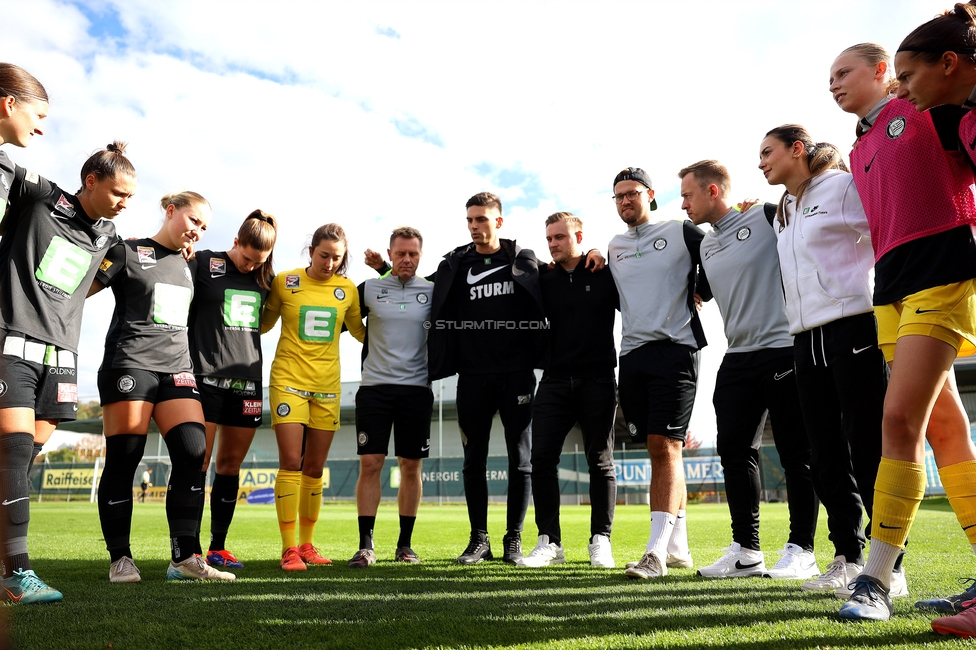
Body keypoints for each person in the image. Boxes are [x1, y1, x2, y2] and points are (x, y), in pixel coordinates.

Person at [827, 34, 976, 629]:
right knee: (942, 425)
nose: (834, 84)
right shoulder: (858, 145)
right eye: (828, 80)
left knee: (897, 420)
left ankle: (877, 577)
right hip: (888, 285)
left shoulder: (927, 106)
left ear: (884, 71)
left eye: (843, 72)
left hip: (943, 268)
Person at [757, 125, 907, 599]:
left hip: (855, 327)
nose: (760, 162)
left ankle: (892, 565)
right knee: (823, 455)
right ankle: (847, 556)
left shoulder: (842, 186)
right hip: (803, 337)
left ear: (796, 150)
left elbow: (886, 231)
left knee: (867, 448)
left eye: (767, 152)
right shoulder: (785, 207)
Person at [0, 92, 134, 603]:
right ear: (91, 181)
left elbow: (104, 277)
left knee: (23, 453)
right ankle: (17, 572)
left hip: (63, 354)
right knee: (12, 448)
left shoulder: (111, 239)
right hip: (10, 336)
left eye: (131, 197)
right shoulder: (40, 195)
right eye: (118, 192)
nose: (124, 202)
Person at [679, 160, 820, 580]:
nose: (683, 203)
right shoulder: (704, 245)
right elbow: (698, 290)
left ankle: (802, 549)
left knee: (798, 454)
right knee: (734, 452)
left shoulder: (764, 215)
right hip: (738, 357)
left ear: (713, 192)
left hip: (784, 348)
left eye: (688, 194)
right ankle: (746, 550)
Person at [94, 190, 233, 584]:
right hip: (130, 364)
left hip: (178, 368)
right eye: (193, 221)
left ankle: (184, 557)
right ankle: (120, 559)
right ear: (171, 211)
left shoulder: (192, 264)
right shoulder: (127, 251)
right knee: (125, 457)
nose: (198, 233)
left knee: (194, 451)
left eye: (204, 228)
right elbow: (80, 290)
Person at [426, 192, 544, 565]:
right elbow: (415, 284)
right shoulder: (456, 264)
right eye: (470, 221)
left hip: (517, 375)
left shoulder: (522, 259)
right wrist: (383, 270)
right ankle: (479, 539)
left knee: (520, 460)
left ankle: (514, 538)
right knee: (472, 460)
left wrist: (590, 257)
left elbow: (557, 278)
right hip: (473, 376)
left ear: (499, 221)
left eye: (482, 219)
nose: (475, 227)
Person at [606, 167, 710, 580]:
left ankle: (655, 554)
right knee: (662, 448)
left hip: (676, 350)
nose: (625, 201)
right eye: (618, 196)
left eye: (632, 193)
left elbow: (721, 254)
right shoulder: (613, 246)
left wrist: (702, 292)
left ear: (649, 195)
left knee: (664, 445)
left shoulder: (681, 231)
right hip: (631, 355)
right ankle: (679, 547)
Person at [516, 212, 619, 568]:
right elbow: (522, 257)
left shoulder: (604, 274)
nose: (553, 244)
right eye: (549, 239)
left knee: (600, 461)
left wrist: (596, 252)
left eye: (560, 237)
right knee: (541, 459)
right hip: (555, 380)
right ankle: (550, 542)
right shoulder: (543, 277)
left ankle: (600, 540)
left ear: (578, 234)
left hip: (599, 379)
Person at [261, 223, 365, 571]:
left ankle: (307, 544)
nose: (330, 263)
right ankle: (288, 548)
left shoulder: (347, 289)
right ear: (311, 251)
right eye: (324, 255)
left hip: (327, 386)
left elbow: (361, 333)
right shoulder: (285, 281)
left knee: (315, 468)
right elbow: (262, 324)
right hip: (288, 381)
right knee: (291, 461)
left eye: (337, 258)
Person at [188, 210, 278, 569]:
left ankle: (217, 548)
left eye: (258, 262)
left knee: (228, 465)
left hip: (247, 383)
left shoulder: (265, 278)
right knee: (199, 463)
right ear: (235, 242)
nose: (249, 266)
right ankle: (189, 549)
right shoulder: (202, 263)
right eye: (246, 258)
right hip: (204, 378)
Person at [348, 227, 433, 568]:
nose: (407, 260)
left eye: (413, 254)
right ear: (391, 254)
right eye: (400, 254)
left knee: (410, 466)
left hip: (416, 390)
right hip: (375, 389)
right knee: (370, 463)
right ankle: (366, 545)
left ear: (420, 255)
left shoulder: (432, 290)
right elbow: (335, 311)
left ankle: (405, 544)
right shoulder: (369, 289)